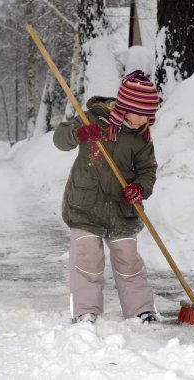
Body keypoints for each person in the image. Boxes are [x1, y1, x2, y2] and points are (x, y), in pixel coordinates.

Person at [53, 70, 159, 324]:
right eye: (141, 112)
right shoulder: (90, 119)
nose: (145, 119)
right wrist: (78, 134)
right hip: (85, 206)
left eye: (149, 114)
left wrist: (140, 189)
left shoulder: (141, 136)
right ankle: (86, 311)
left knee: (129, 260)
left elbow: (147, 170)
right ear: (125, 106)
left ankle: (140, 310)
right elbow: (59, 139)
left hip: (122, 210)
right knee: (87, 259)